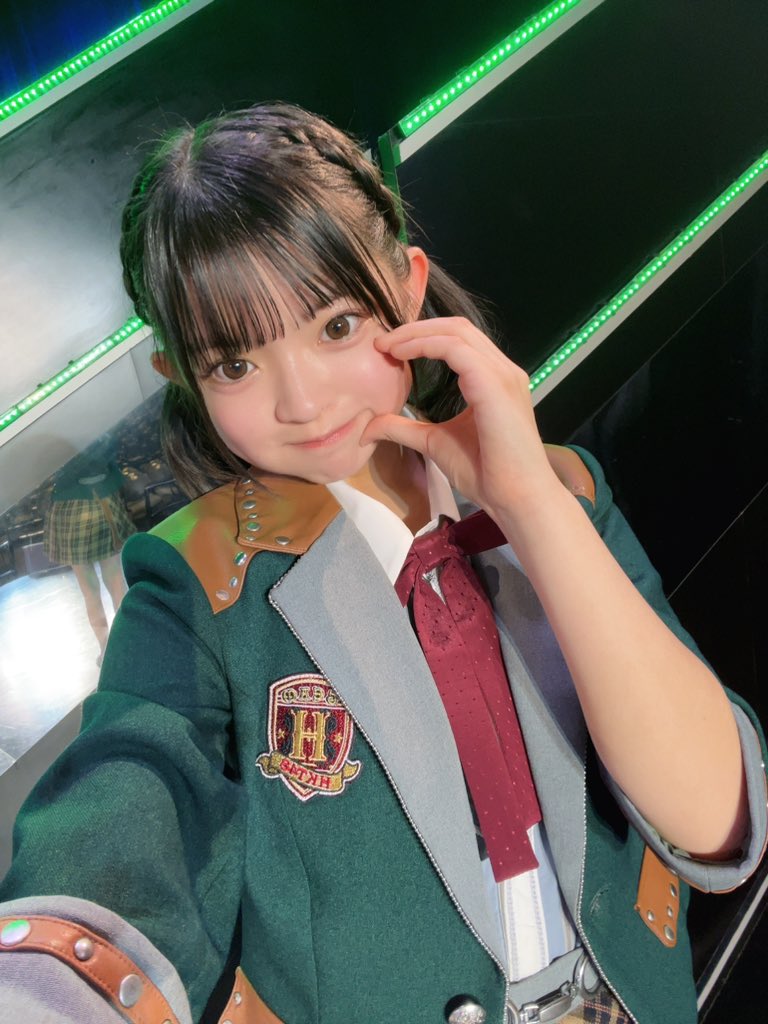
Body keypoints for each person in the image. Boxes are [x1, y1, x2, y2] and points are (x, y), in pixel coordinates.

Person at [0, 102, 765, 1024]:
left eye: (336, 326)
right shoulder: (196, 581)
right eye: (235, 364)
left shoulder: (560, 489)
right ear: (183, 378)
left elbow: (716, 825)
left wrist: (531, 507)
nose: (300, 400)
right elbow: (129, 790)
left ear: (407, 289)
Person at [43, 450, 135, 664]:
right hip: (104, 501)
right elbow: (110, 448)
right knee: (116, 584)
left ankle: (105, 648)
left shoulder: (56, 443)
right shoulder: (92, 435)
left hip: (72, 507)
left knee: (90, 591)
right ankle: (126, 642)